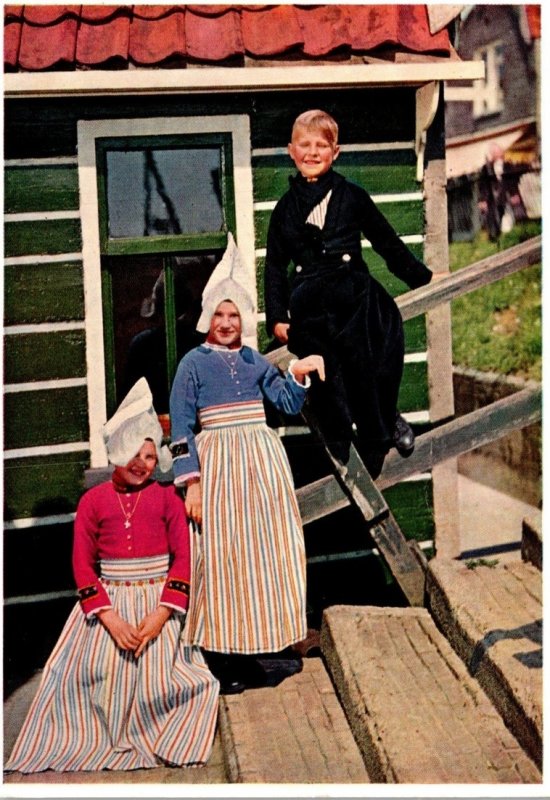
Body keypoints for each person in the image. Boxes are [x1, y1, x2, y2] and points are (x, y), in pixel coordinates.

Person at [5, 378, 219, 773]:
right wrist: (109, 617)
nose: (141, 463)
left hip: (158, 607)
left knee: (174, 683)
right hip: (110, 608)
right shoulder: (93, 501)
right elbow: (83, 565)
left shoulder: (168, 499)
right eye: (133, 453)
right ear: (117, 452)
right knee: (82, 677)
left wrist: (159, 618)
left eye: (150, 456)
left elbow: (183, 560)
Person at [169, 286, 324, 693]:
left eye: (234, 316)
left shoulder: (253, 360)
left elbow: (287, 403)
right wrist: (193, 486)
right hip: (218, 471)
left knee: (261, 559)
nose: (226, 323)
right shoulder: (192, 364)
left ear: (244, 321)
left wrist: (299, 372)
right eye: (220, 315)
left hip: (260, 472)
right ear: (207, 317)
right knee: (223, 559)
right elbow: (182, 428)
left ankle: (254, 649)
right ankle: (223, 657)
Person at [264, 109, 434, 476]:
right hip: (309, 303)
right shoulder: (283, 211)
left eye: (321, 146)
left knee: (375, 343)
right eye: (304, 146)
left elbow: (386, 242)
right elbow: (275, 266)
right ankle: (340, 435)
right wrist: (277, 317)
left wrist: (422, 277)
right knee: (324, 367)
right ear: (290, 151)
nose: (312, 153)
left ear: (335, 152)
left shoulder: (352, 196)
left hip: (353, 294)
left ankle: (382, 427)